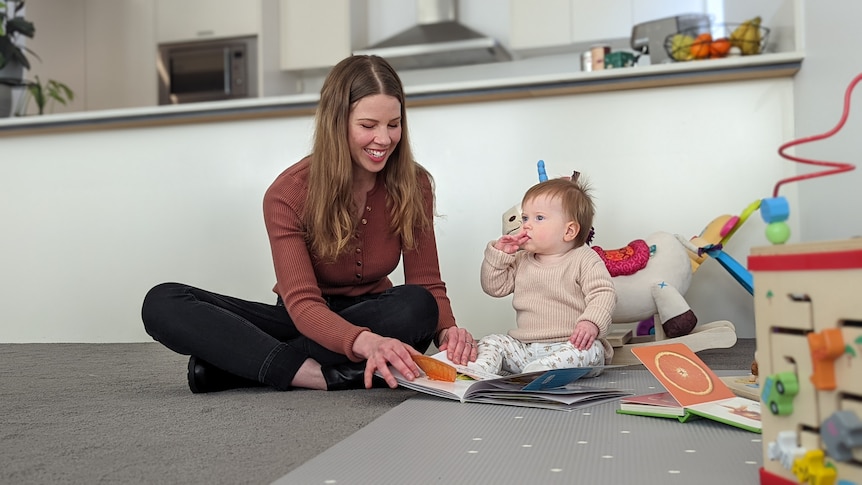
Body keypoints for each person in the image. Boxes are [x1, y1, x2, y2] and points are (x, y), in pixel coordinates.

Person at [141, 55, 477, 393]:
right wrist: (368, 344)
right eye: (367, 125)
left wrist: (448, 332)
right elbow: (302, 305)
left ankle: (242, 367)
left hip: (377, 314)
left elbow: (427, 282)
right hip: (299, 319)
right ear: (337, 122)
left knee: (417, 306)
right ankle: (318, 375)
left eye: (393, 124)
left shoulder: (414, 183)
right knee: (163, 301)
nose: (384, 139)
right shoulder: (287, 193)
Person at [472, 177, 615, 376]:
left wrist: (591, 322)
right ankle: (480, 372)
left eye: (538, 218)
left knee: (592, 350)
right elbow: (493, 287)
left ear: (569, 230)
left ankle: (547, 369)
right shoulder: (521, 259)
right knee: (490, 341)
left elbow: (603, 293)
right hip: (526, 348)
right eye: (525, 218)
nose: (526, 225)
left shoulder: (584, 258)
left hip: (571, 344)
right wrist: (500, 255)